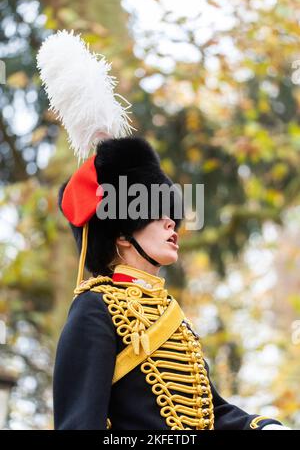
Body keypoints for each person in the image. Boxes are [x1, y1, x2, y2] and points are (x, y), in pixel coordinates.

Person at [37, 30, 290, 431]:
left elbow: (212, 410)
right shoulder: (95, 309)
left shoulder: (170, 313)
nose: (172, 222)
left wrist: (263, 427)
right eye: (155, 213)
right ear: (122, 232)